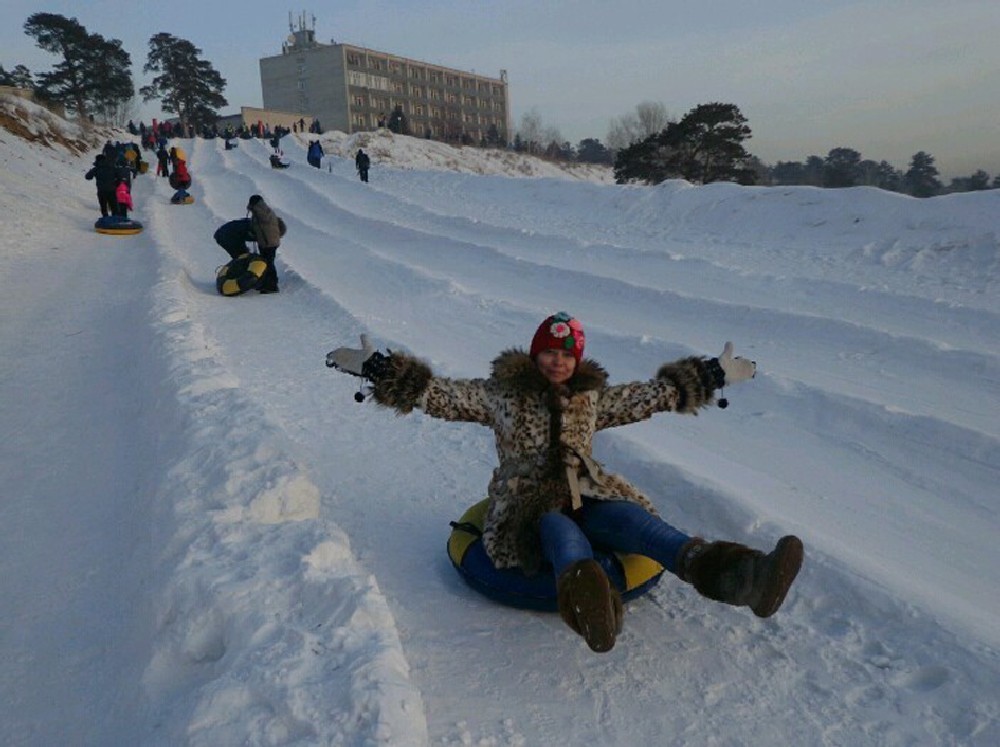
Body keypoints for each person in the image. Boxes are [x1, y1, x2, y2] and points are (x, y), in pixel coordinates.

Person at [326, 312, 804, 653]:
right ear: (536, 356)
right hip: (528, 505)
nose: (558, 362)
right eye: (550, 353)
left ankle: (746, 578)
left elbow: (648, 395)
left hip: (588, 491)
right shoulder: (500, 395)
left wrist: (711, 374)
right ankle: (593, 607)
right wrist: (381, 370)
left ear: (578, 362)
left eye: (567, 355)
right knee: (561, 535)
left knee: (637, 523)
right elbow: (443, 395)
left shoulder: (589, 401)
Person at [246, 194, 282, 294]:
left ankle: (272, 286)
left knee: (268, 263)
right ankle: (268, 283)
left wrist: (252, 208)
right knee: (268, 262)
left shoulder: (260, 210)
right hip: (269, 241)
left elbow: (263, 218)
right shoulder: (265, 209)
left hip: (268, 243)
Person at [84, 153, 118, 218]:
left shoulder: (96, 169)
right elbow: (118, 176)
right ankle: (115, 221)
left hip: (101, 191)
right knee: (114, 207)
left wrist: (92, 170)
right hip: (112, 190)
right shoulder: (112, 167)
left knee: (103, 207)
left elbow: (88, 177)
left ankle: (105, 221)